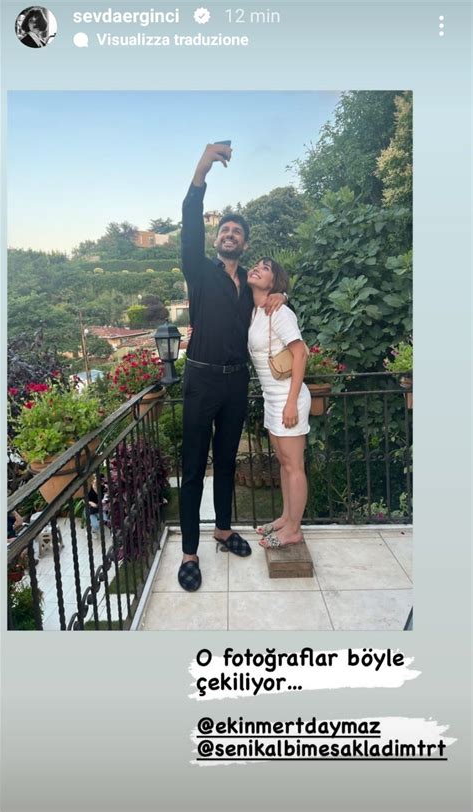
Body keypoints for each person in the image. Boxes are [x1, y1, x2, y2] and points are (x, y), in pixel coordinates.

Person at [178, 143, 286, 591]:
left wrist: (278, 295)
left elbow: (273, 306)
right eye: (223, 230)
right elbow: (189, 217)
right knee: (192, 465)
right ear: (217, 238)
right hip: (201, 379)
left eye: (236, 232)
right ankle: (188, 552)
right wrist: (203, 166)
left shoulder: (251, 287)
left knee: (226, 461)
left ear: (244, 243)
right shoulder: (199, 271)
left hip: (235, 383)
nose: (228, 235)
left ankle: (222, 530)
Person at [247, 257, 311, 547]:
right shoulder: (257, 311)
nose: (258, 268)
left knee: (294, 465)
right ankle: (286, 518)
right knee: (284, 463)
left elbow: (300, 354)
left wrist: (291, 402)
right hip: (272, 398)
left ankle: (294, 530)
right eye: (257, 264)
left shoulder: (279, 311)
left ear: (274, 282)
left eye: (266, 268)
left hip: (288, 397)